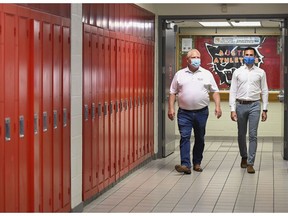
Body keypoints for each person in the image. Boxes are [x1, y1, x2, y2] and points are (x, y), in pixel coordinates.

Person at [168, 48, 222, 174]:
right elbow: (172, 92)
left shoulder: (206, 74)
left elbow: (215, 91)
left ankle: (197, 163)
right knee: (185, 137)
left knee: (200, 138)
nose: (196, 60)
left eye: (198, 57)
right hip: (184, 113)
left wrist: (218, 107)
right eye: (193, 57)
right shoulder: (179, 74)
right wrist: (171, 108)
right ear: (187, 60)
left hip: (201, 112)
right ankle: (185, 164)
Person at [229, 47, 269, 174]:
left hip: (255, 106)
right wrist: (232, 109)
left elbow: (265, 90)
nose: (249, 56)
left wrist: (265, 109)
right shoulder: (237, 72)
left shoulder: (261, 72)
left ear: (255, 57)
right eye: (247, 54)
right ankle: (244, 157)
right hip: (240, 105)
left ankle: (251, 163)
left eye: (251, 54)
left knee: (253, 135)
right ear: (243, 56)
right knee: (241, 134)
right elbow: (233, 91)